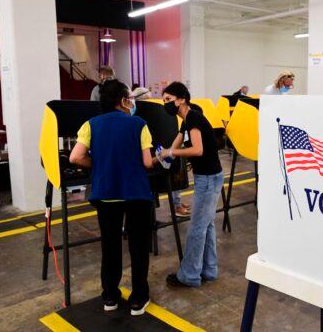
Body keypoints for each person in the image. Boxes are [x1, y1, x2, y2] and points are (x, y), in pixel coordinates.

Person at [70, 79, 155, 316]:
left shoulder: (91, 125)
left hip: (106, 194)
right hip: (136, 194)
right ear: (123, 100)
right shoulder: (139, 124)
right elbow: (147, 162)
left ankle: (110, 297)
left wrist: (97, 164)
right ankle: (138, 299)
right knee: (138, 246)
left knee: (110, 246)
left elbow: (75, 157)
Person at [159, 82, 224, 287]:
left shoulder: (193, 117)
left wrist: (170, 153)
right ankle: (209, 270)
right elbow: (172, 147)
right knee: (207, 224)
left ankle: (189, 275)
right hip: (209, 177)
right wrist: (156, 157)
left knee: (197, 227)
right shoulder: (187, 119)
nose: (165, 104)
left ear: (181, 99)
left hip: (208, 178)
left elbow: (197, 150)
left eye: (168, 100)